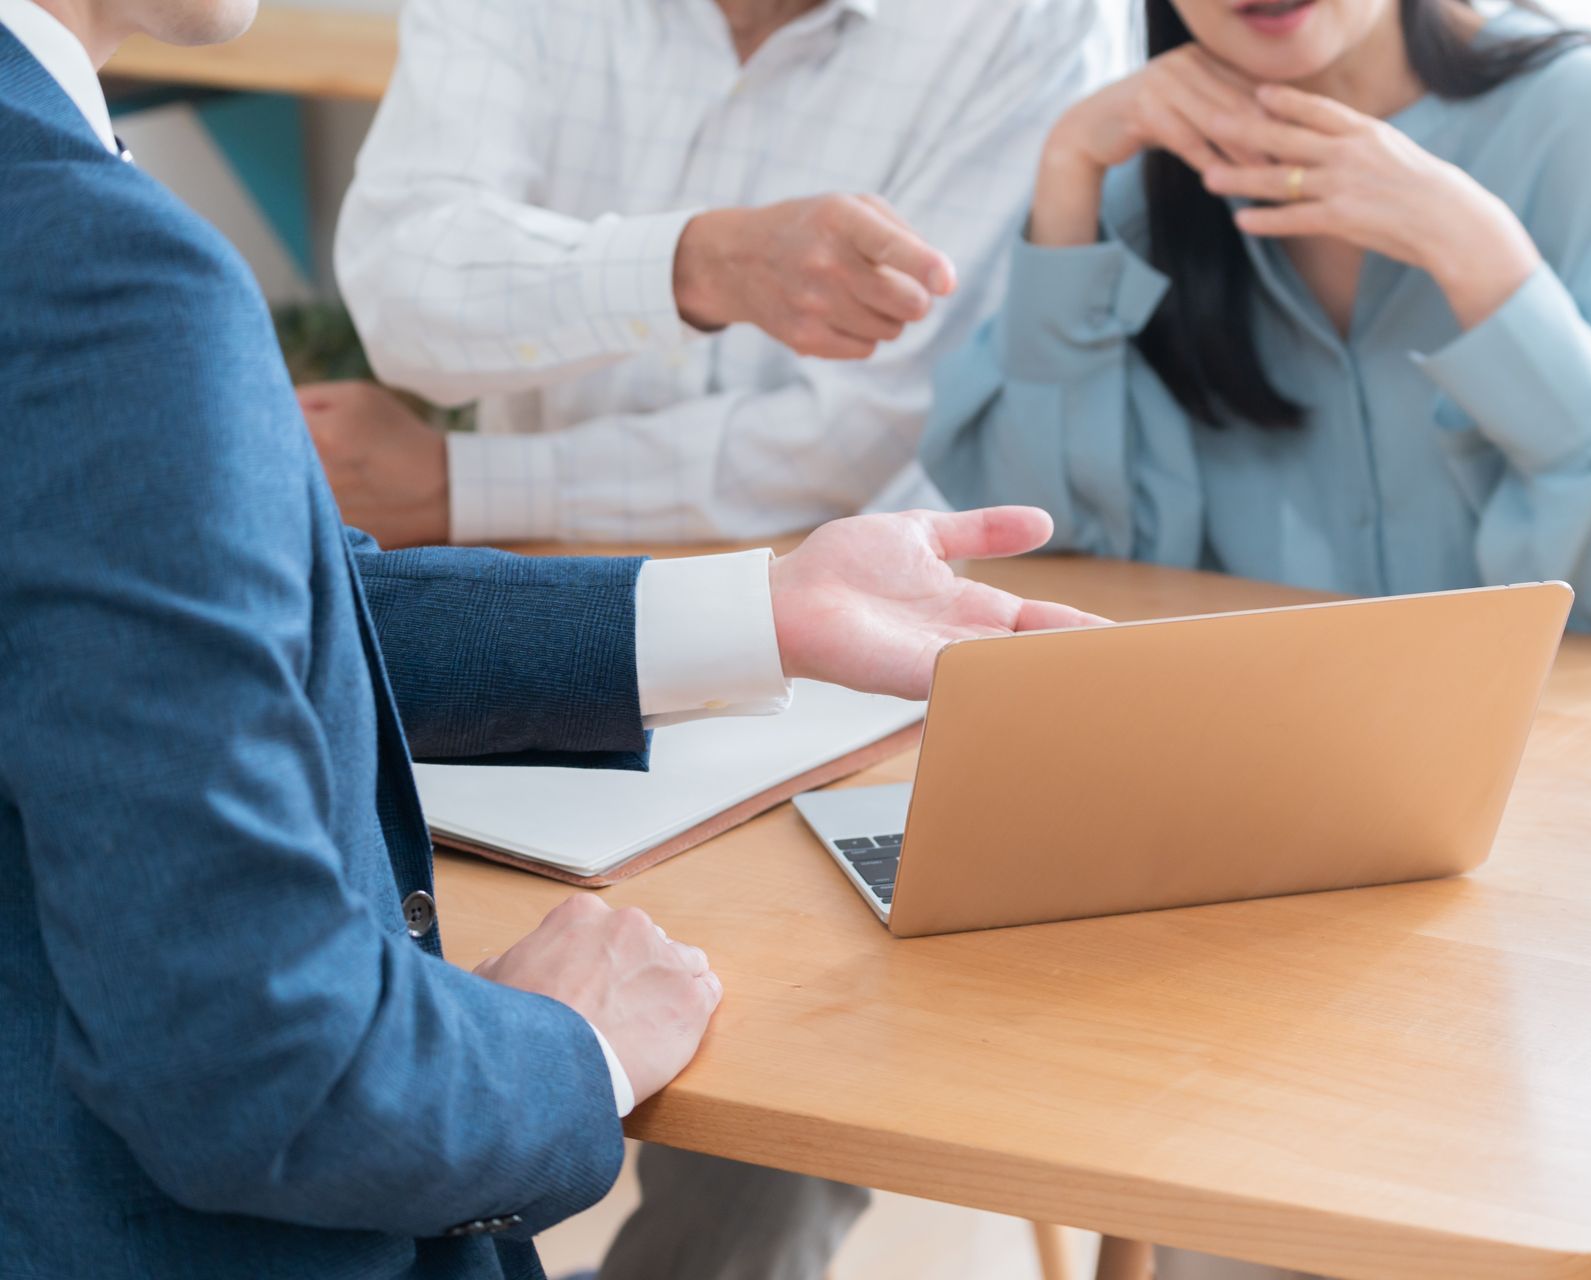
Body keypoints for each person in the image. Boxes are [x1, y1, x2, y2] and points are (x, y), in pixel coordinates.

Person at [0, 2, 1104, 1277]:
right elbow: (268, 1071)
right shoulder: (107, 275)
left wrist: (755, 609)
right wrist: (568, 1046)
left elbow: (213, 617)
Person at [922, 0, 1591, 673]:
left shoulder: (1582, 116)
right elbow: (1049, 557)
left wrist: (1480, 256)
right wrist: (1069, 169)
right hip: (1346, 766)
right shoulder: (1145, 178)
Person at [314, 0, 1114, 548]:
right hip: (534, 573)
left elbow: (867, 440)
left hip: (835, 601)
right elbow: (401, 289)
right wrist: (696, 265)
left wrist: (467, 485)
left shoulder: (1029, 19)